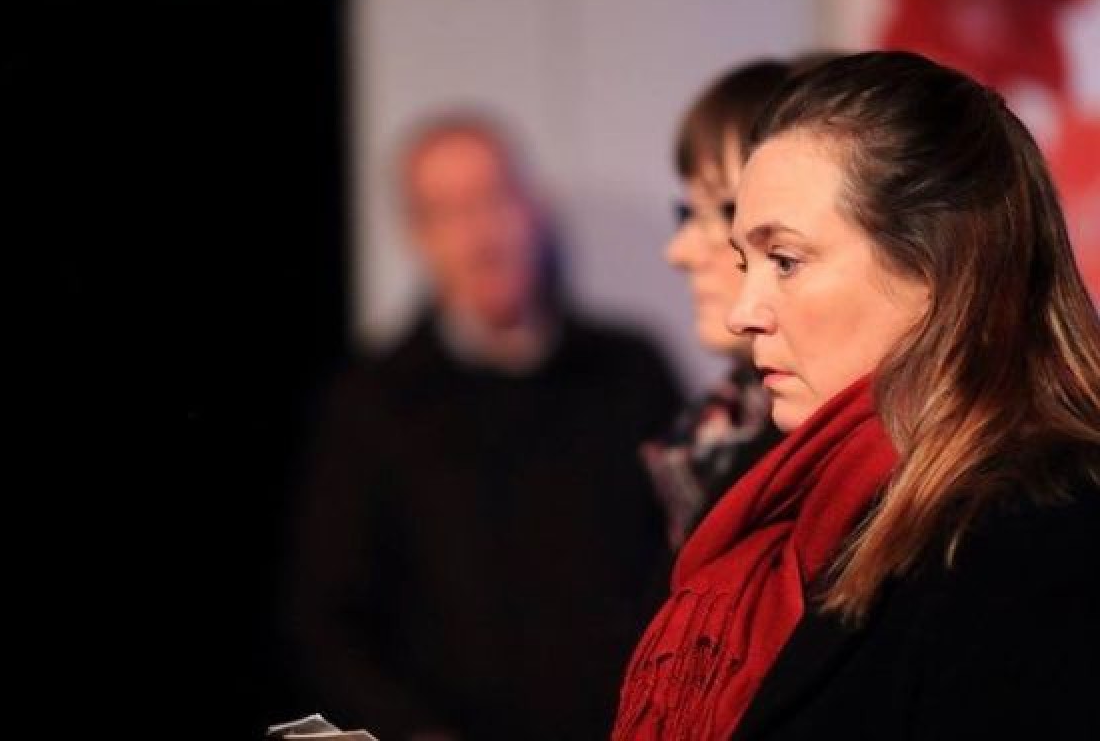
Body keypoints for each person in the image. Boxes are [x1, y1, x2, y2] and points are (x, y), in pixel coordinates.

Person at [612, 50, 1100, 740]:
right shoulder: (778, 505)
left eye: (786, 261)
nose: (744, 312)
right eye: (747, 263)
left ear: (935, 270)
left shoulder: (1040, 541)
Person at [289, 113, 682, 741]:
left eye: (494, 197)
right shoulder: (373, 403)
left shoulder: (631, 373)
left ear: (533, 208)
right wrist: (412, 729)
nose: (481, 233)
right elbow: (326, 618)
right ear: (417, 235)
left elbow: (687, 565)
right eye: (448, 212)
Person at [644, 59, 799, 551]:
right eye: (689, 212)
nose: (679, 252)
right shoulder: (714, 437)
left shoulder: (815, 459)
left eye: (724, 210)